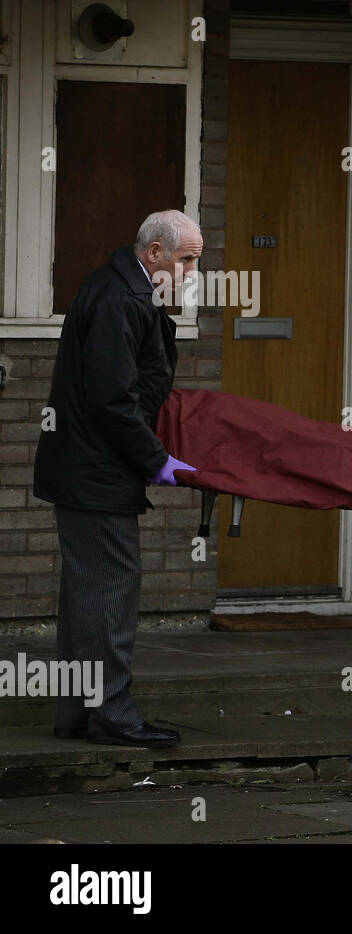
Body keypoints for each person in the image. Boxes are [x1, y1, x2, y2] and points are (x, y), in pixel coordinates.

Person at [33, 210, 201, 749]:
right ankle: (112, 712)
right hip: (96, 474)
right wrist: (156, 460)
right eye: (187, 259)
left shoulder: (124, 293)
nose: (193, 271)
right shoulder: (120, 300)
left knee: (87, 596)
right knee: (110, 593)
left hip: (87, 470)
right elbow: (113, 401)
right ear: (154, 253)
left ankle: (80, 713)